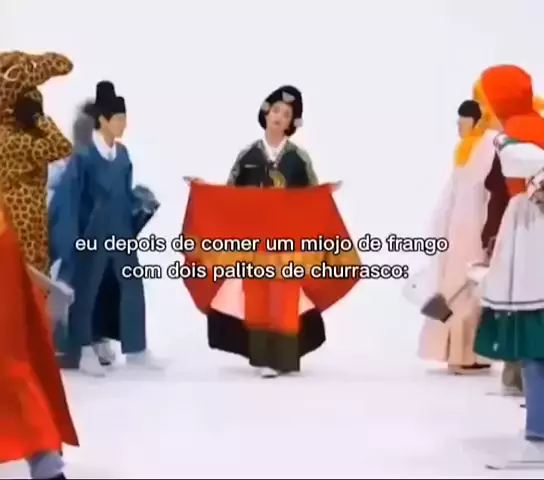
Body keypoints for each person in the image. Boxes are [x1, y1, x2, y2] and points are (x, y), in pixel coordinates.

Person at [184, 85, 355, 379]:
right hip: (254, 242)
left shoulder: (298, 158)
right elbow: (231, 195)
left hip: (287, 243)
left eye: (286, 114)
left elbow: (309, 194)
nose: (279, 117)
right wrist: (204, 189)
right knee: (257, 296)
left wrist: (323, 193)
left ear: (292, 123)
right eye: (275, 110)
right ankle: (262, 356)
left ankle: (285, 357)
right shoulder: (248, 155)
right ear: (265, 113)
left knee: (285, 296)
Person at [49, 81, 161, 377]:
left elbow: (124, 193)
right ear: (103, 120)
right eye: (119, 118)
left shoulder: (122, 155)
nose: (124, 124)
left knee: (132, 285)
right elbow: (71, 199)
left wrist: (140, 204)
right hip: (93, 233)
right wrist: (70, 237)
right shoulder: (84, 157)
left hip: (121, 231)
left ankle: (136, 348)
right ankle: (83, 347)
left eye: (125, 118)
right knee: (86, 290)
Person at [473, 64, 544, 468]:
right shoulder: (534, 123)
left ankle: (538, 437)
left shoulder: (515, 131)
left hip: (531, 235)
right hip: (529, 230)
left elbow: (519, 178)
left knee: (534, 334)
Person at [0, 198, 78, 479]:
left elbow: (15, 262)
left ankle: (47, 465)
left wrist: (49, 285)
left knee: (21, 389)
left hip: (10, 335)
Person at [417, 99, 497, 374]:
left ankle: (458, 352)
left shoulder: (475, 147)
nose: (459, 126)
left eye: (463, 120)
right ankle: (466, 354)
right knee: (467, 291)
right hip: (471, 228)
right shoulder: (481, 147)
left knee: (460, 289)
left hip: (463, 228)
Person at [0, 55, 73, 275]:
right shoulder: (17, 142)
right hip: (25, 235)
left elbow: (60, 64)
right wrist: (40, 119)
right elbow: (62, 147)